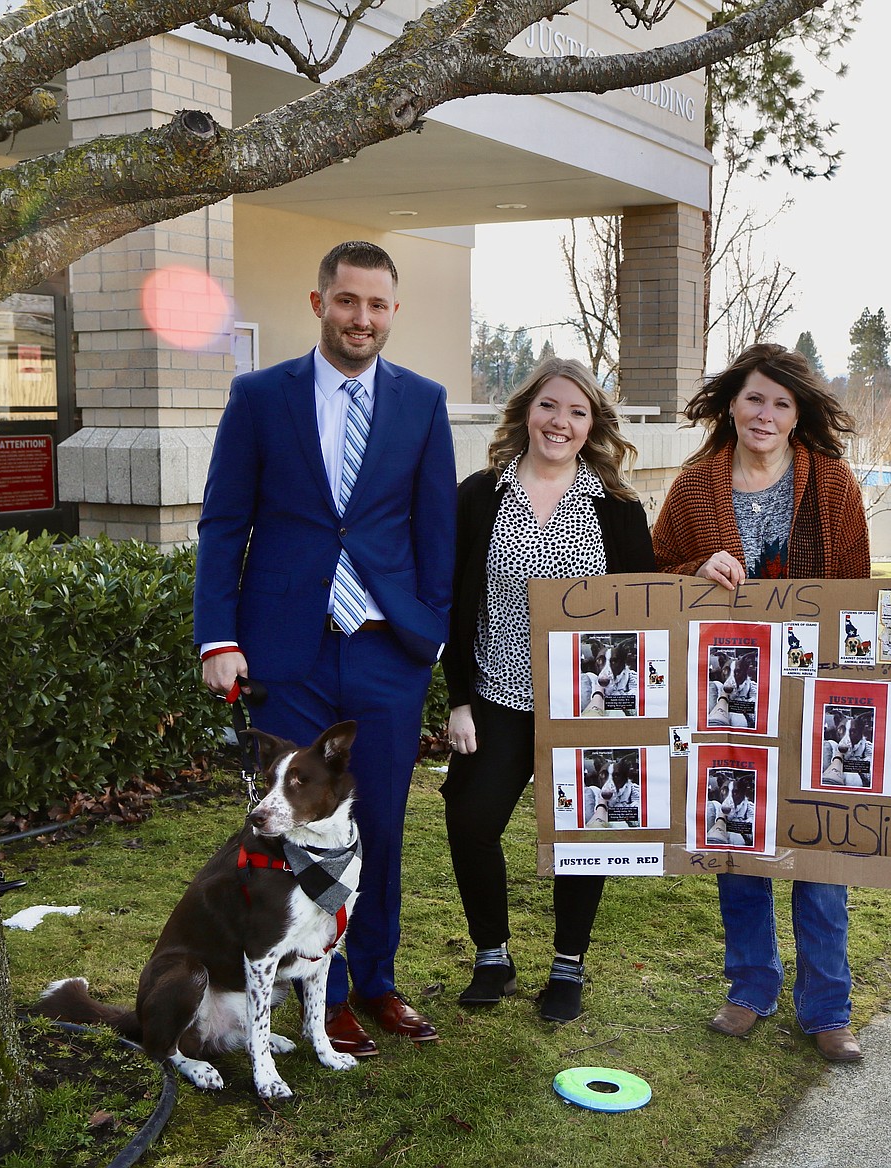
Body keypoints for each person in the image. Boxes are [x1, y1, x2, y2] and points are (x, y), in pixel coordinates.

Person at [194, 240, 456, 1056]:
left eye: (377, 305)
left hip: (384, 650)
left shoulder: (423, 401)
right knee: (292, 830)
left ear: (393, 312)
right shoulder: (259, 396)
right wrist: (218, 637)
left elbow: (436, 529)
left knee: (376, 821)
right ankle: (320, 990)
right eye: (348, 301)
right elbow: (223, 521)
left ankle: (373, 981)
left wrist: (430, 627)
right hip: (285, 652)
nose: (362, 319)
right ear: (319, 303)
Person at [652, 341, 870, 1062]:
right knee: (736, 840)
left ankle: (827, 1008)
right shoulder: (693, 487)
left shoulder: (833, 485)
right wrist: (693, 567)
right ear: (731, 405)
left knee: (819, 856)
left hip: (812, 695)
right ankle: (750, 988)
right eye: (754, 399)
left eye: (781, 402)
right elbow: (655, 579)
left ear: (798, 410)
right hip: (727, 696)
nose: (766, 414)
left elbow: (856, 591)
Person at [441, 356, 655, 1022]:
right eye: (548, 406)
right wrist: (457, 699)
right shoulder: (479, 496)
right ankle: (492, 956)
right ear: (526, 411)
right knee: (470, 820)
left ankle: (568, 965)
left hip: (589, 704)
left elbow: (646, 607)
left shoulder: (617, 508)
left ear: (592, 426)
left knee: (581, 832)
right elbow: (456, 604)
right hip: (498, 694)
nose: (559, 422)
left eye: (576, 411)